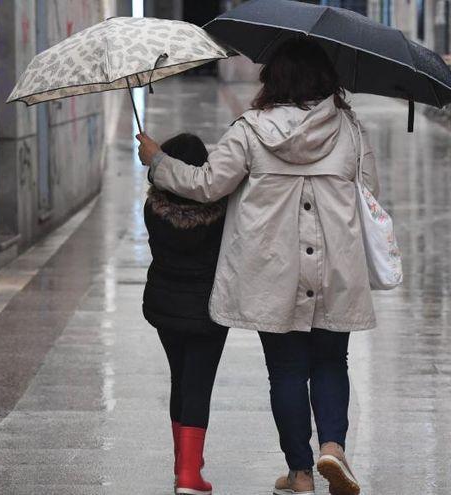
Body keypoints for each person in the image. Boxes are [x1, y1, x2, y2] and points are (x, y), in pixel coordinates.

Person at [137, 37, 378, 495]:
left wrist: (159, 162)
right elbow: (369, 196)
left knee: (286, 370)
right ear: (327, 78)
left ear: (274, 80)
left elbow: (207, 184)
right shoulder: (350, 129)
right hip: (336, 270)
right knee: (331, 361)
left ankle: (301, 474)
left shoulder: (250, 130)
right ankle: (332, 446)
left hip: (274, 271)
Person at [142, 133, 229, 495]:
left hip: (166, 307)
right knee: (198, 385)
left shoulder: (153, 211)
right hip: (208, 310)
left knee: (180, 379)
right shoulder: (221, 215)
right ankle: (189, 474)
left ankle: (184, 464)